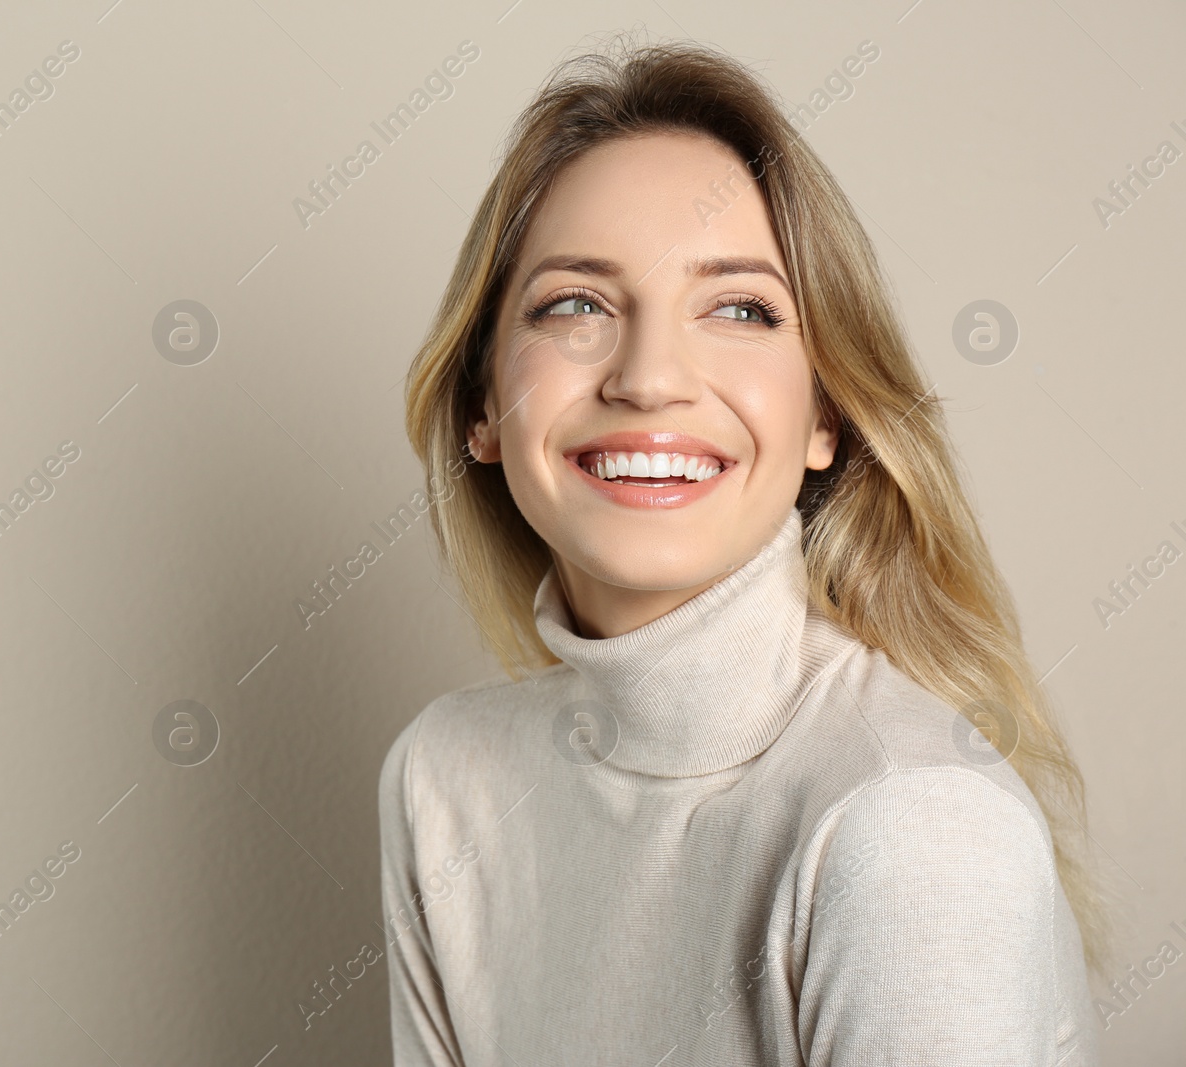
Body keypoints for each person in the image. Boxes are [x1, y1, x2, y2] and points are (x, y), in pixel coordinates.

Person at [381, 35, 1111, 1066]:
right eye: (575, 303)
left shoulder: (911, 822)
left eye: (739, 307)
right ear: (481, 406)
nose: (649, 377)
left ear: (826, 415)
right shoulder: (442, 776)